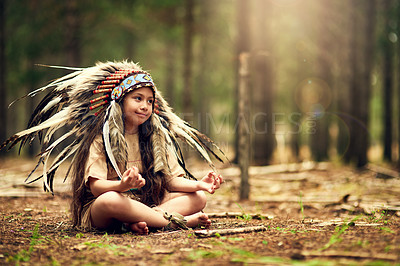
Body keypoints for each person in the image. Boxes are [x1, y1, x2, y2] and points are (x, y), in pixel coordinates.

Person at [1, 61, 226, 234]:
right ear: (119, 101)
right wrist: (122, 184)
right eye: (137, 98)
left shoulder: (157, 139)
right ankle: (179, 221)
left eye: (150, 101)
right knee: (110, 200)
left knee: (198, 198)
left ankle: (143, 221)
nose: (145, 106)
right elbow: (97, 188)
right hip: (107, 209)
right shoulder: (101, 140)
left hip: (146, 204)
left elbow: (170, 180)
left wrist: (199, 183)